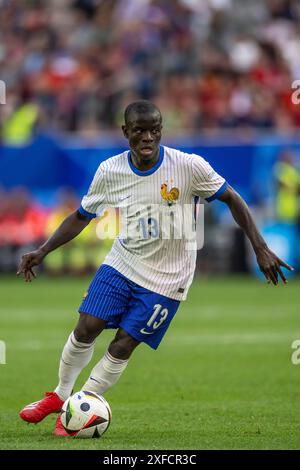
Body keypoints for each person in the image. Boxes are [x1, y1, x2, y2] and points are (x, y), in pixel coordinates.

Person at [17, 100, 293, 436]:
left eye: (154, 130)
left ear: (161, 131)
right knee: (87, 326)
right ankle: (59, 396)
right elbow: (81, 217)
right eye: (139, 131)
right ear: (125, 133)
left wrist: (260, 247)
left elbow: (233, 198)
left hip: (168, 279)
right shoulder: (110, 171)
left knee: (122, 344)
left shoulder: (189, 166)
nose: (148, 137)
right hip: (123, 262)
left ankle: (79, 408)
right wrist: (43, 251)